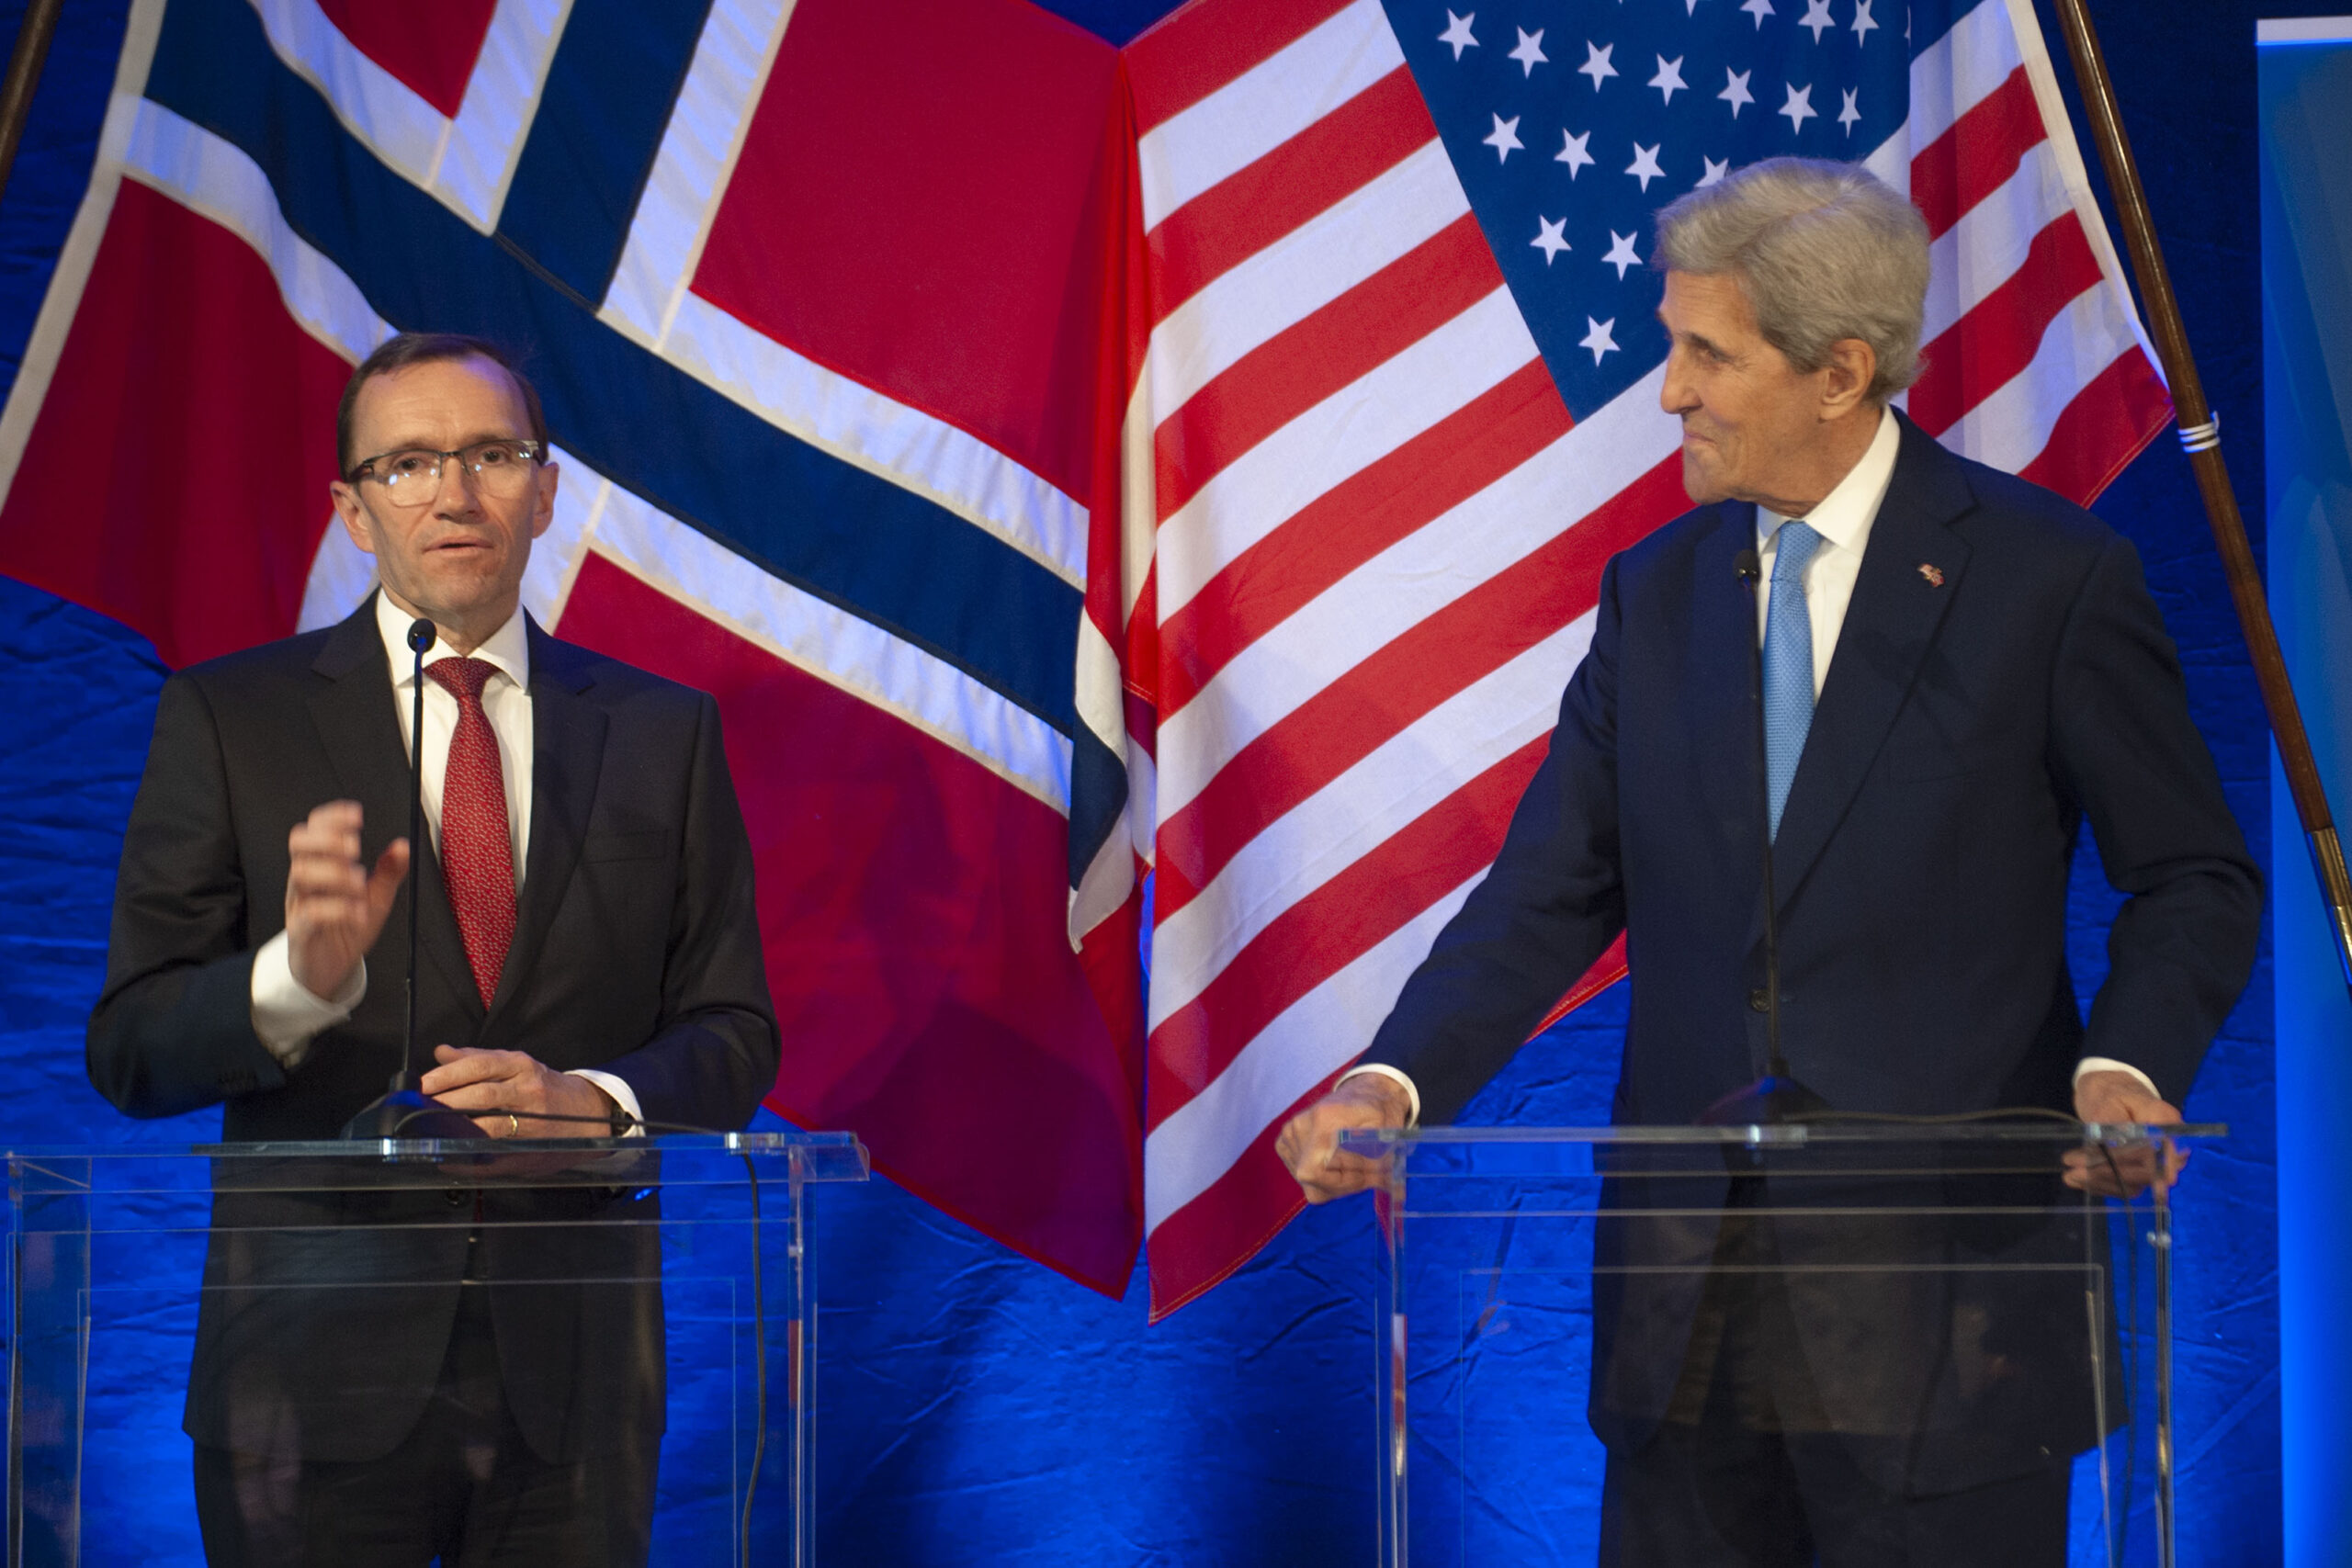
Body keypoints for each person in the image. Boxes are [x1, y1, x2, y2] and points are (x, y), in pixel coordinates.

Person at [1276, 159, 2259, 1564]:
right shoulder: (1658, 595)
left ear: (1840, 372)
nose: (1670, 391)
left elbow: (2193, 875)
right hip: (1688, 1338)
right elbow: (1553, 884)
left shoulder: (2047, 582)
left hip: (1946, 1328)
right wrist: (1397, 1076)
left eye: (1705, 354)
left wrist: (2128, 1066)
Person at [86, 333, 781, 1565]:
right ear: (353, 512)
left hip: (572, 1395)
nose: (454, 494)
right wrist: (291, 983)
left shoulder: (663, 734)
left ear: (547, 488)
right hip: (304, 1383)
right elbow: (130, 1051)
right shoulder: (230, 719)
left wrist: (596, 1103)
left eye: (491, 455)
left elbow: (735, 1033)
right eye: (408, 464)